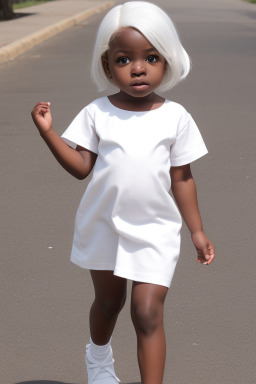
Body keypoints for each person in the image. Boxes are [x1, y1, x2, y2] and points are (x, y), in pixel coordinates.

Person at [31, 2, 215, 384]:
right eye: (123, 59)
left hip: (155, 229)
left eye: (150, 57)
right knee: (110, 302)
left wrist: (196, 229)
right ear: (106, 66)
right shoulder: (98, 112)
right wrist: (49, 132)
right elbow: (82, 167)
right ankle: (98, 358)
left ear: (166, 60)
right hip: (104, 225)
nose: (137, 68)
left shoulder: (175, 116)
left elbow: (182, 177)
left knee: (147, 311)